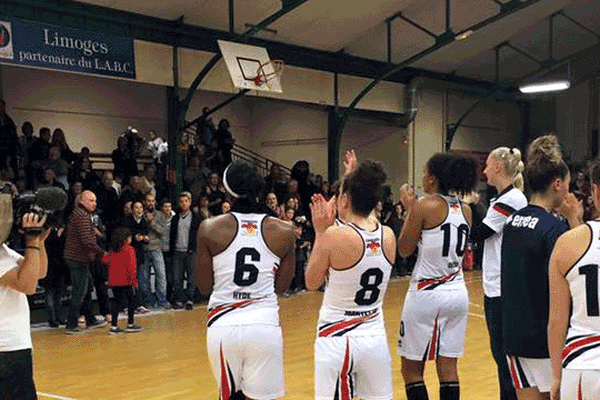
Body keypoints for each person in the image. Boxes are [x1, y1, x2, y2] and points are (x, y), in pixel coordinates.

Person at [197, 159, 295, 400]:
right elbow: (281, 288)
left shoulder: (209, 228)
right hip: (264, 325)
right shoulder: (284, 230)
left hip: (223, 324)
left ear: (228, 190)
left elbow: (204, 286)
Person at [306, 159, 396, 400]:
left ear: (345, 199)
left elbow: (311, 282)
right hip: (374, 338)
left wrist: (319, 232)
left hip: (337, 337)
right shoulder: (388, 235)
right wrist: (350, 179)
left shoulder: (332, 236)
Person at [501, 135, 582, 400]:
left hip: (514, 335)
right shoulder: (555, 229)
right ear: (558, 184)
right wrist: (575, 220)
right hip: (547, 340)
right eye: (568, 185)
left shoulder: (512, 222)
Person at [397, 153, 477, 400]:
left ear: (432, 180)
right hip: (457, 293)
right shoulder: (466, 209)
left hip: (427, 292)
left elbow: (404, 249)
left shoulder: (424, 205)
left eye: (423, 172)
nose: (421, 177)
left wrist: (410, 210)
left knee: (412, 370)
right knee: (449, 368)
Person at [470, 147, 528, 400]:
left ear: (497, 168)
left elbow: (481, 232)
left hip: (503, 288)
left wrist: (472, 206)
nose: (483, 171)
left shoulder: (511, 199)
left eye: (487, 166)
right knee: (500, 355)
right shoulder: (502, 199)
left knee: (504, 356)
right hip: (496, 284)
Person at [548, 160, 600, 400]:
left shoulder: (568, 242)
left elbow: (557, 321)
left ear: (595, 192)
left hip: (581, 365)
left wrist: (557, 377)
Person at [0, 192, 48, 399]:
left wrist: (39, 241)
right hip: (5, 348)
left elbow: (39, 272)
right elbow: (27, 285)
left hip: (13, 346)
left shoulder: (5, 251)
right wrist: (31, 241)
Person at [63, 190, 107, 334]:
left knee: (86, 289)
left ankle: (90, 318)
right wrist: (102, 252)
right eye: (91, 200)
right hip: (78, 259)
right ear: (82, 201)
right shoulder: (82, 215)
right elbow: (86, 240)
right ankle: (71, 323)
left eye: (94, 201)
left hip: (78, 258)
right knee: (79, 291)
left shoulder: (79, 213)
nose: (94, 203)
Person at [102, 227, 143, 334]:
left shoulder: (112, 250)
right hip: (127, 281)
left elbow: (105, 260)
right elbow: (132, 268)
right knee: (131, 303)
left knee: (116, 303)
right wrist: (134, 281)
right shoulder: (129, 250)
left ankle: (114, 326)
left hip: (115, 282)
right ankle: (130, 323)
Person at [169, 191, 202, 310]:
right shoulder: (175, 218)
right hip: (177, 251)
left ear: (190, 202)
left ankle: (189, 299)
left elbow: (199, 234)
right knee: (177, 278)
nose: (183, 203)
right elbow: (172, 235)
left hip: (191, 251)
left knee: (192, 277)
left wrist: (195, 249)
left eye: (186, 201)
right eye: (181, 201)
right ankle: (178, 299)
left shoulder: (196, 217)